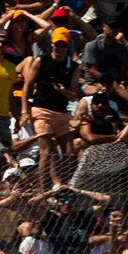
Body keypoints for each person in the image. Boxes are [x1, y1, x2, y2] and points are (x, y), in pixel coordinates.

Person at [20, 26, 80, 189]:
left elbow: (74, 95)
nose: (59, 48)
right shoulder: (41, 61)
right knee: (46, 152)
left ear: (67, 46)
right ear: (51, 44)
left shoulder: (73, 67)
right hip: (41, 110)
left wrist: (64, 91)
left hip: (61, 113)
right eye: (57, 44)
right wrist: (25, 111)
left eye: (63, 45)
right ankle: (42, 190)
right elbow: (28, 86)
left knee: (69, 153)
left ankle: (63, 187)